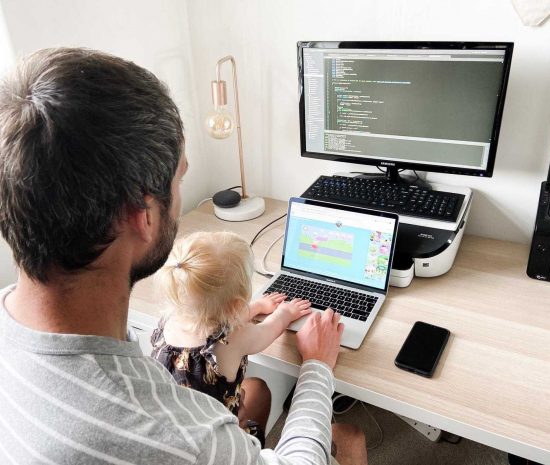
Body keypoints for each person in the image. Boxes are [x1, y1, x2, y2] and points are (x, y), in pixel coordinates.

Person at [0, 47, 367, 465]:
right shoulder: (180, 438)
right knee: (349, 437)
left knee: (259, 394)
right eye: (179, 179)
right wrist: (317, 366)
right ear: (142, 216)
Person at [150, 230, 312, 447]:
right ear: (235, 305)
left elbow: (212, 319)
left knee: (257, 389)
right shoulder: (233, 339)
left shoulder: (169, 321)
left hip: (178, 428)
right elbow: (268, 331)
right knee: (259, 392)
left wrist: (256, 307)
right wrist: (286, 313)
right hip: (220, 443)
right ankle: (254, 448)